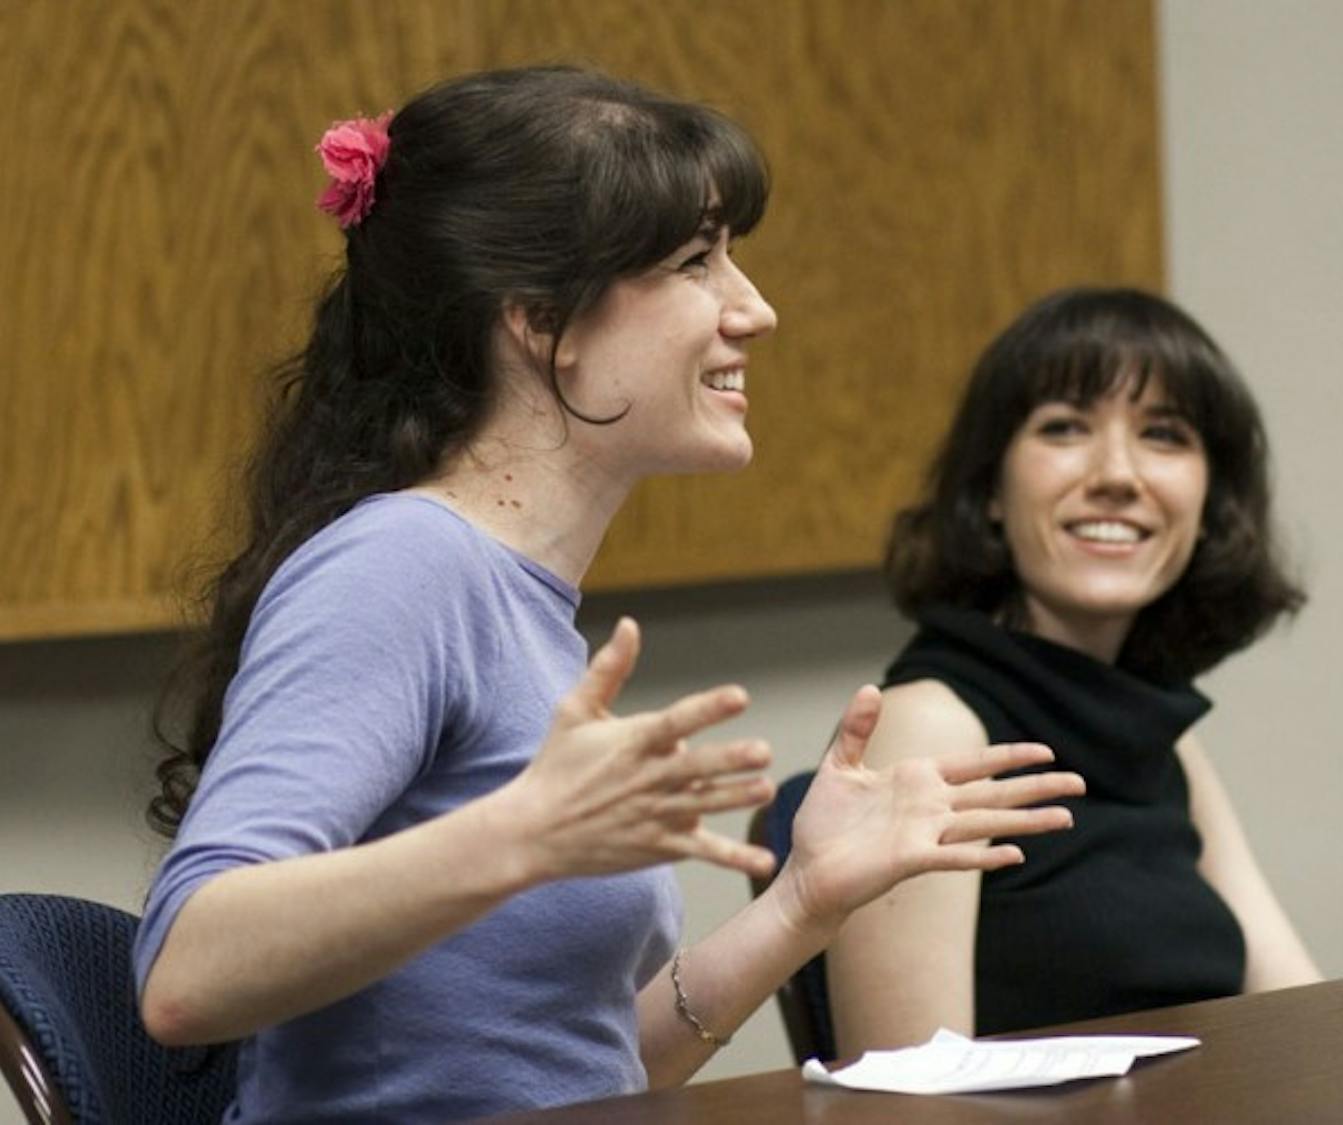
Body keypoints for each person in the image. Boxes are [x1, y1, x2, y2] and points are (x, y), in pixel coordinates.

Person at [133, 67, 1084, 1122]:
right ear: (544, 320)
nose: (755, 309)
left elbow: (572, 1076)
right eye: (695, 262)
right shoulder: (402, 567)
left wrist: (806, 902)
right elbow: (185, 970)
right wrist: (518, 837)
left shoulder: (522, 607)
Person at [822, 287, 1322, 1057]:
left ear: (1209, 495)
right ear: (991, 489)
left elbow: (1306, 1020)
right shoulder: (930, 728)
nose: (1118, 473)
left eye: (1164, 434)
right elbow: (906, 1103)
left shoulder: (1161, 736)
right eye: (1065, 427)